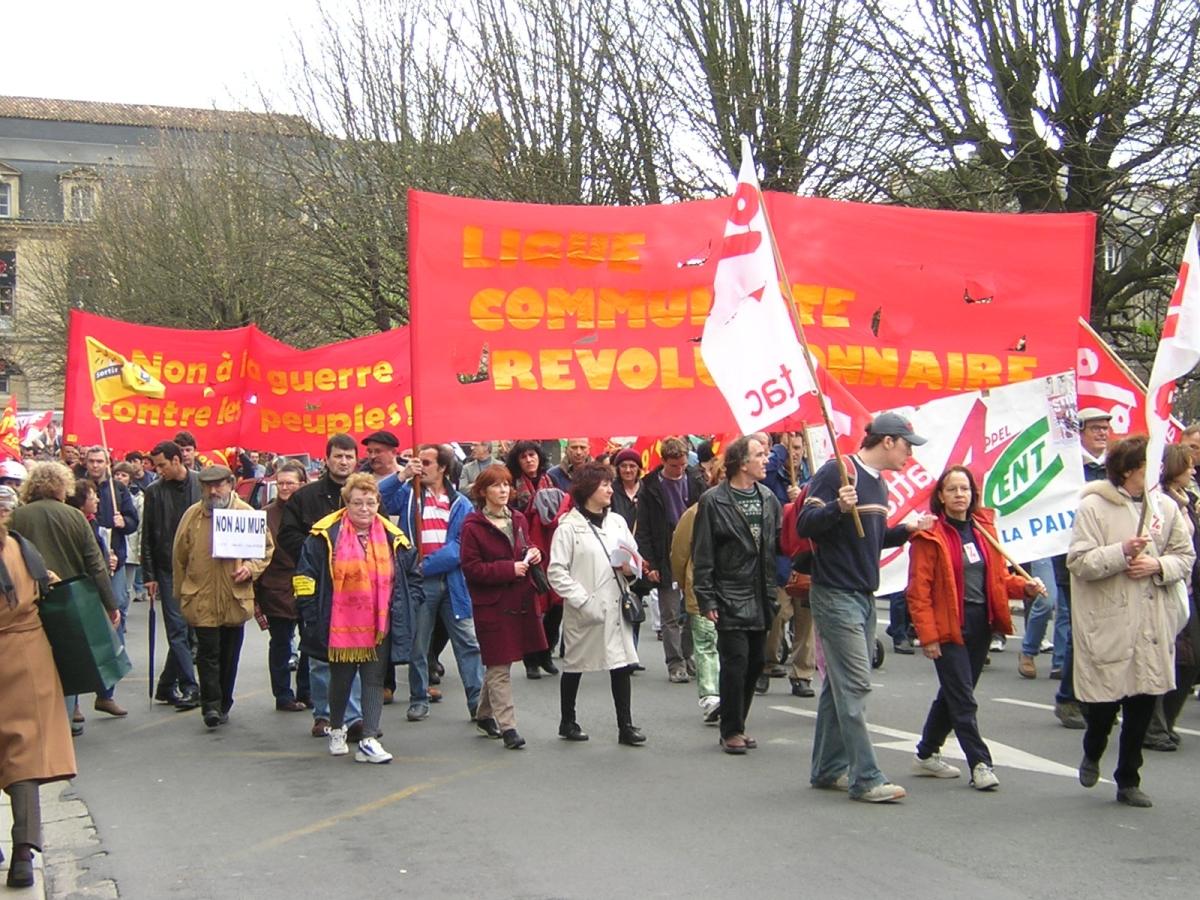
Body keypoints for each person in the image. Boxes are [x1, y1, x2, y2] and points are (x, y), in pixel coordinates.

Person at [797, 412, 935, 803]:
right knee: (855, 684)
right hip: (835, 593)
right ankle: (866, 778)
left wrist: (905, 532)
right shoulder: (838, 473)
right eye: (908, 445)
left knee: (838, 687)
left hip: (862, 594)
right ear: (888, 441)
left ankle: (827, 768)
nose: (910, 454)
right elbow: (806, 524)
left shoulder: (880, 486)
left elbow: (869, 539)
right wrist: (836, 508)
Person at [1068, 435, 1194, 807]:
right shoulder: (1093, 507)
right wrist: (1122, 553)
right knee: (1104, 706)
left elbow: (1184, 556)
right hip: (1111, 620)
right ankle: (1093, 750)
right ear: (1128, 470)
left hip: (1152, 622)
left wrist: (1158, 565)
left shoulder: (1165, 508)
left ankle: (1128, 778)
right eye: (1146, 466)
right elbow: (1079, 561)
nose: (1153, 472)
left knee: (1143, 703)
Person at [906, 466, 1043, 790]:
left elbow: (997, 580)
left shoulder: (984, 530)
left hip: (981, 624)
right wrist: (928, 636)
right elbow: (918, 592)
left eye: (964, 489)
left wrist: (1024, 588)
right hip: (948, 626)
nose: (958, 495)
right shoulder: (929, 537)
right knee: (963, 699)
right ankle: (980, 763)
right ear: (941, 496)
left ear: (972, 494)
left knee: (954, 694)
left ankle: (926, 753)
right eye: (951, 489)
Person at [295, 473, 421, 764]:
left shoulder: (394, 537)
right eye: (357, 503)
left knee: (374, 679)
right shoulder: (325, 534)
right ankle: (337, 728)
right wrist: (311, 616)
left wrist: (407, 605)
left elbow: (413, 576)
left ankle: (369, 738)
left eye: (370, 502)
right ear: (346, 504)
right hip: (338, 622)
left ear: (378, 503)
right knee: (340, 679)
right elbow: (305, 576)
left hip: (380, 622)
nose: (364, 509)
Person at [11, 462, 120, 734]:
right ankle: (69, 716)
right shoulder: (74, 516)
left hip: (31, 599)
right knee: (68, 657)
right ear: (62, 485)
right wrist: (110, 603)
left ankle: (46, 721)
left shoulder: (17, 517)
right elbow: (96, 563)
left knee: (39, 661)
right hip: (72, 597)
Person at [380, 443, 483, 723]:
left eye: (426, 462)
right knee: (418, 644)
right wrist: (400, 476)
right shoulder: (410, 495)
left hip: (451, 582)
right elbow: (379, 500)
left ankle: (479, 703)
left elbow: (460, 545)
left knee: (468, 643)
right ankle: (418, 698)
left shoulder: (461, 503)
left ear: (443, 468)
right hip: (420, 585)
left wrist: (425, 566)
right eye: (418, 462)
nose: (419, 467)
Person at [692, 436, 780, 754]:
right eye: (759, 455)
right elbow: (703, 552)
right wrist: (707, 598)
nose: (766, 459)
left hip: (761, 592)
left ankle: (737, 722)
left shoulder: (768, 498)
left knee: (757, 662)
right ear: (742, 463)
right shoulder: (714, 500)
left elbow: (778, 544)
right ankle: (731, 729)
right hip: (729, 592)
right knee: (736, 660)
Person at [0, 520, 76, 888]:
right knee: (24, 757)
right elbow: (50, 583)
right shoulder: (20, 545)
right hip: (29, 655)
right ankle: (22, 855)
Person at [547, 461, 644, 745]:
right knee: (575, 664)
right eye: (604, 485)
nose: (609, 490)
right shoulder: (568, 527)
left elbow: (634, 557)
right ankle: (568, 720)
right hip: (586, 607)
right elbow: (557, 571)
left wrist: (631, 569)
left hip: (615, 602)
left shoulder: (617, 522)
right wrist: (582, 600)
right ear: (588, 489)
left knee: (621, 663)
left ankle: (625, 726)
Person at [278, 434, 365, 739]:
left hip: (355, 586)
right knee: (318, 652)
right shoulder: (306, 497)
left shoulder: (364, 496)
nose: (343, 462)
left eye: (349, 457)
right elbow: (287, 536)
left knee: (353, 651)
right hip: (316, 584)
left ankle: (353, 716)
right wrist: (320, 551)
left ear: (356, 460)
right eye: (338, 456)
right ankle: (324, 714)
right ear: (326, 459)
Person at [173, 465, 274, 728]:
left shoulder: (246, 514)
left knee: (229, 654)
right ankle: (211, 706)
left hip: (234, 596)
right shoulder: (193, 517)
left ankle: (224, 700)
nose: (213, 490)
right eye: (207, 486)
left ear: (231, 484)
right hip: (202, 596)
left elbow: (264, 549)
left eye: (219, 485)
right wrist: (180, 594)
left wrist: (250, 569)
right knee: (208, 653)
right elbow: (179, 558)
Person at [459, 465, 549, 749]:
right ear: (483, 491)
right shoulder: (473, 526)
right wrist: (509, 569)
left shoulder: (519, 518)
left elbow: (529, 545)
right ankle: (508, 726)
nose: (503, 491)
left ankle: (484, 713)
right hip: (492, 604)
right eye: (496, 486)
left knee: (501, 662)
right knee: (499, 665)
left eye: (507, 485)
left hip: (519, 601)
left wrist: (535, 553)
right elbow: (472, 569)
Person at [1050, 406, 1115, 728]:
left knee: (1105, 632)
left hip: (1107, 559)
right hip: (1072, 560)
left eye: (1105, 428)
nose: (1103, 433)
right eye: (1096, 428)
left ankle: (1095, 698)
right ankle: (1068, 699)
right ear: (1081, 433)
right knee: (1082, 632)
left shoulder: (1113, 469)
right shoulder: (1068, 468)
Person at [1144, 444, 1200, 751]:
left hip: (1187, 585)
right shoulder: (1159, 503)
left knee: (1191, 661)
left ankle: (1166, 719)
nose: (1193, 471)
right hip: (1164, 587)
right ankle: (1153, 725)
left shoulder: (1186, 500)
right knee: (1165, 659)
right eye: (1188, 466)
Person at [636, 437, 704, 683]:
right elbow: (642, 529)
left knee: (694, 611)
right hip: (664, 553)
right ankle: (675, 663)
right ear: (664, 461)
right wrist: (650, 564)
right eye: (675, 465)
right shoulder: (650, 487)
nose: (680, 470)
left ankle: (687, 655)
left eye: (683, 464)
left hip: (694, 552)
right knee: (670, 613)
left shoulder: (696, 480)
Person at [141, 441, 202, 710]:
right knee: (178, 630)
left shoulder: (201, 484)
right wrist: (149, 574)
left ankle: (166, 685)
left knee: (191, 631)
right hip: (167, 569)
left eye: (162, 464)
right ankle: (190, 685)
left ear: (178, 460)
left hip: (197, 568)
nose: (158, 470)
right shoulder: (154, 491)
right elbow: (149, 534)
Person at [505, 439, 566, 678]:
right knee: (533, 607)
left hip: (552, 547)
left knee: (556, 605)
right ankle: (531, 660)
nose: (529, 460)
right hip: (525, 550)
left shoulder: (550, 480)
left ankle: (547, 653)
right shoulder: (511, 485)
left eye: (532, 455)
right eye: (524, 457)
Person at [255, 460, 310, 712]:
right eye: (281, 483)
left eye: (290, 483)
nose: (285, 488)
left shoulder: (311, 510)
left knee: (310, 642)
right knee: (280, 641)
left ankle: (307, 691)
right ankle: (283, 695)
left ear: (302, 484)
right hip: (276, 585)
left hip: (308, 583)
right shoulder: (265, 515)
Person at [83, 446, 138, 642]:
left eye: (100, 461)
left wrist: (124, 522)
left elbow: (133, 521)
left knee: (117, 604)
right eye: (92, 461)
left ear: (108, 464)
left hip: (116, 558)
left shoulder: (118, 489)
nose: (95, 465)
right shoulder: (79, 487)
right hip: (90, 559)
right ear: (86, 463)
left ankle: (118, 651)